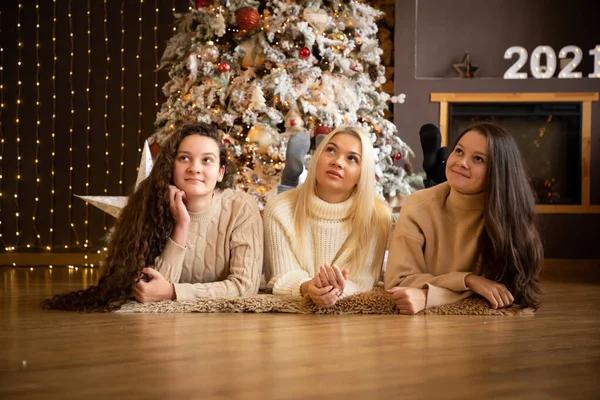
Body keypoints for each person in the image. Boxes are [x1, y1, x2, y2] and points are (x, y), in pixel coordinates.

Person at [43, 122, 263, 312]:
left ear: (220, 172)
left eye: (207, 160)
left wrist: (173, 292)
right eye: (184, 158)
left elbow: (244, 286)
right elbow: (151, 290)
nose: (195, 168)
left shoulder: (241, 207)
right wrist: (181, 225)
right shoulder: (153, 206)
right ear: (171, 166)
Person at [385, 122, 543, 314]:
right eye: (459, 151)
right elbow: (399, 282)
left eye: (478, 159)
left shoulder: (508, 214)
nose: (462, 162)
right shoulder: (417, 206)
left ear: (498, 171)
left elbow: (506, 292)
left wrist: (429, 296)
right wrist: (469, 280)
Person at [264, 126, 392, 308]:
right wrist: (309, 287)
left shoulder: (377, 216)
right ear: (317, 158)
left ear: (362, 174)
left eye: (352, 159)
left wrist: (336, 291)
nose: (338, 162)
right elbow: (281, 275)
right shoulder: (279, 209)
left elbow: (363, 281)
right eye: (331, 150)